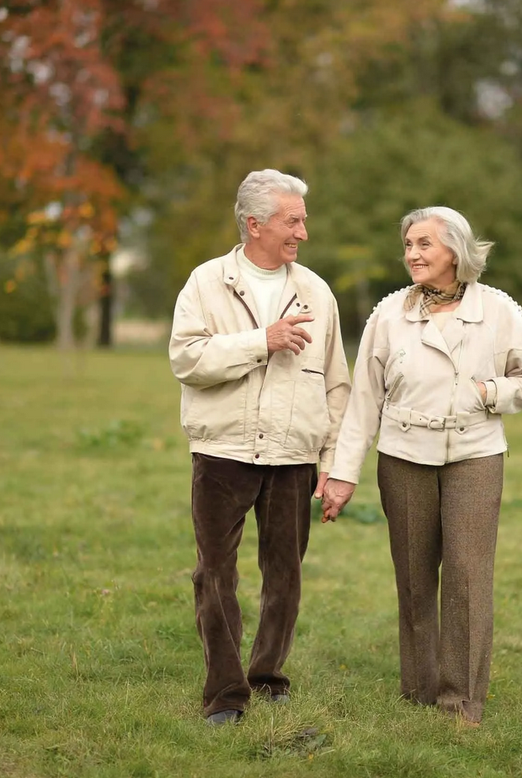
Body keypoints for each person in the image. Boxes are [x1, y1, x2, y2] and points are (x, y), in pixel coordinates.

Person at [320, 206, 522, 727]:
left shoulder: (499, 311)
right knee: (414, 575)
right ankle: (419, 690)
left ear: (455, 250)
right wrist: (342, 473)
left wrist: (489, 391)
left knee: (467, 576)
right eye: (408, 245)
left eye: (424, 244)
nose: (412, 254)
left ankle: (461, 700)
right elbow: (364, 400)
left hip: (475, 455)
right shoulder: (389, 314)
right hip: (403, 456)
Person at [169, 169, 351, 726]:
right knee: (214, 574)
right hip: (222, 452)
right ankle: (226, 693)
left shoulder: (317, 291)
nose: (303, 232)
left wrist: (332, 465)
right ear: (254, 224)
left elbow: (336, 385)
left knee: (285, 575)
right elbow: (187, 360)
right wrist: (261, 341)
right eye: (292, 221)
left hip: (294, 456)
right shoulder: (206, 283)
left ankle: (268, 677)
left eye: (303, 220)